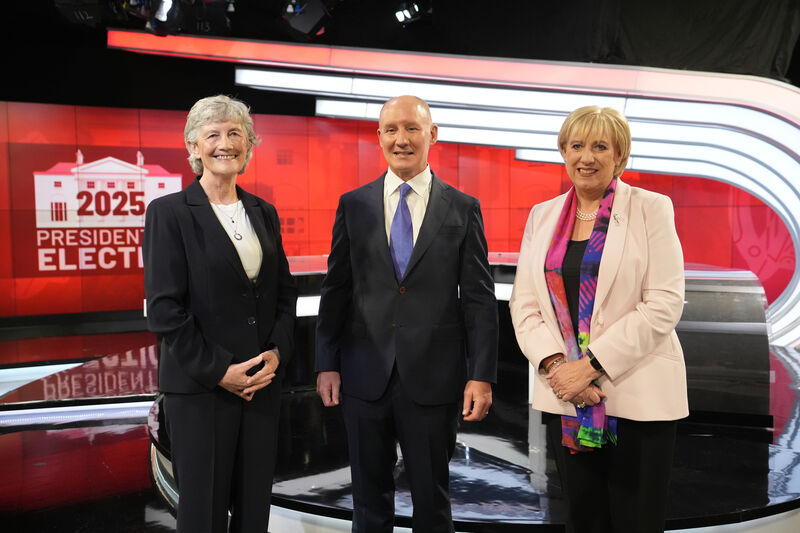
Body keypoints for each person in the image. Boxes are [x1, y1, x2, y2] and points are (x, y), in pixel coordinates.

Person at [315, 95, 499, 533]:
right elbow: (335, 289)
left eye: (412, 129)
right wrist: (327, 362)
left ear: (432, 135)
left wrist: (482, 374)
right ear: (378, 137)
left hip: (434, 380)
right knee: (368, 502)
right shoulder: (353, 205)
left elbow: (478, 298)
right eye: (392, 130)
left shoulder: (462, 208)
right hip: (363, 376)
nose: (402, 139)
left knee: (432, 502)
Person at [509, 106, 687, 532]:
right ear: (563, 152)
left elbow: (664, 302)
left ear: (620, 157)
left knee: (636, 522)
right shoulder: (542, 215)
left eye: (600, 147)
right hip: (567, 398)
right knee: (582, 521)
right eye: (576, 146)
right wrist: (557, 368)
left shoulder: (651, 208)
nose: (586, 157)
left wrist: (589, 368)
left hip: (637, 399)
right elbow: (525, 304)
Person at [143, 94, 297, 533]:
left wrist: (276, 355)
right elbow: (165, 310)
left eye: (236, 134)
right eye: (213, 135)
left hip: (261, 386)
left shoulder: (263, 213)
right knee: (204, 514)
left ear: (249, 145)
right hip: (200, 392)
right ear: (193, 146)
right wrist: (220, 371)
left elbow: (284, 294)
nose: (225, 143)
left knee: (254, 513)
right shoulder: (168, 214)